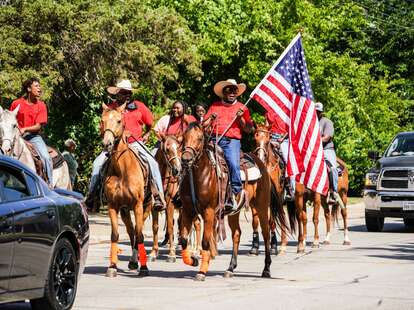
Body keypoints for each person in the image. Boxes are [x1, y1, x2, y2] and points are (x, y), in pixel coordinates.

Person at [86, 79, 165, 211]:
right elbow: (103, 128)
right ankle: (92, 196)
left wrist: (146, 135)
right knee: (97, 164)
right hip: (115, 145)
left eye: (129, 93)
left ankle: (158, 195)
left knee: (153, 162)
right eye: (124, 92)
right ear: (117, 93)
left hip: (136, 143)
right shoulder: (110, 108)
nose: (127, 95)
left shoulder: (139, 106)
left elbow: (150, 124)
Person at [203, 79, 253, 212]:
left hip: (232, 141)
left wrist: (241, 118)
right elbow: (204, 125)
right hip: (214, 139)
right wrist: (211, 119)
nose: (232, 92)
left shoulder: (242, 107)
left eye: (234, 90)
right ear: (223, 92)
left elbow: (248, 129)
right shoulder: (215, 106)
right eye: (229, 90)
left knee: (232, 163)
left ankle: (236, 192)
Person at [10, 77, 53, 186]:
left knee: (46, 157)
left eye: (39, 86)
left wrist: (24, 129)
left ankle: (49, 185)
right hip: (16, 137)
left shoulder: (41, 105)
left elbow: (38, 126)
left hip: (33, 137)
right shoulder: (16, 104)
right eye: (36, 86)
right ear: (29, 89)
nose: (40, 89)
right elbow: (10, 119)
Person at [265, 111, 295, 199]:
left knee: (287, 161)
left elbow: (290, 128)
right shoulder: (268, 113)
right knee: (261, 155)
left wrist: (281, 139)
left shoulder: (287, 112)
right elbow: (266, 128)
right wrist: (269, 139)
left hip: (283, 139)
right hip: (271, 138)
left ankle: (290, 188)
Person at [315, 102, 341, 204]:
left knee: (332, 168)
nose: (316, 113)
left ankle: (333, 193)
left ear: (321, 112)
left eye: (318, 112)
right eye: (315, 111)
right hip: (313, 150)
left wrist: (314, 140)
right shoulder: (311, 123)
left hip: (326, 149)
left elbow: (327, 138)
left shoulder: (327, 122)